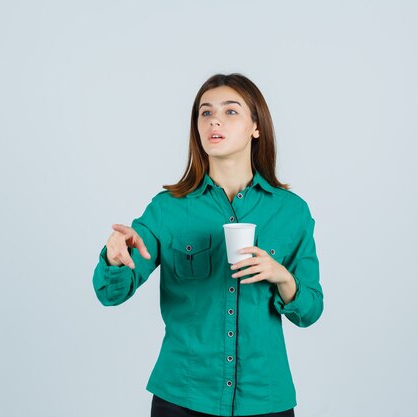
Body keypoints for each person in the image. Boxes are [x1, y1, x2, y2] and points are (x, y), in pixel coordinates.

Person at [92, 73, 324, 417]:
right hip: (183, 397)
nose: (214, 119)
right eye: (205, 112)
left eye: (231, 111)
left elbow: (310, 311)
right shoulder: (168, 208)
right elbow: (111, 294)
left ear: (255, 127)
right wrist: (115, 258)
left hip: (265, 398)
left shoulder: (291, 211)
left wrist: (282, 277)